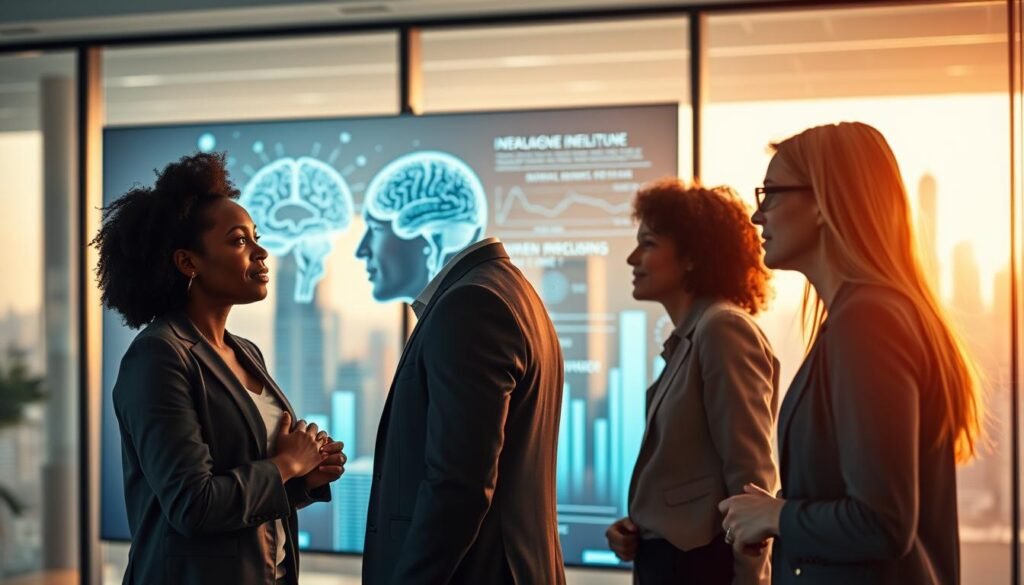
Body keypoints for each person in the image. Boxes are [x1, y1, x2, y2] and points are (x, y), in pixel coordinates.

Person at [718, 122, 983, 585]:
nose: (758, 216)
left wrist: (777, 516)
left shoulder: (868, 322)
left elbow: (882, 522)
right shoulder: (866, 315)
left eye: (771, 194)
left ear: (823, 200)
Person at [93, 152, 347, 585]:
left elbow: (245, 496)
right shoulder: (158, 357)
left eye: (256, 237)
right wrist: (287, 464)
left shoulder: (246, 352)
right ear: (188, 262)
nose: (261, 251)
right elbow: (194, 506)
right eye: (239, 241)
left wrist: (304, 476)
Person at [359, 233, 566, 584]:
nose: (361, 248)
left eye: (376, 230)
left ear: (427, 234)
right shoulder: (512, 292)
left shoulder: (471, 302)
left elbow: (459, 484)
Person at [605, 179, 779, 585]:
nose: (633, 258)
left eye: (648, 243)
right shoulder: (692, 337)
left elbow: (750, 477)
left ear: (691, 257)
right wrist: (641, 527)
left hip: (702, 570)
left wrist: (751, 580)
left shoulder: (722, 329)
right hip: (672, 564)